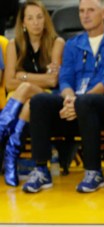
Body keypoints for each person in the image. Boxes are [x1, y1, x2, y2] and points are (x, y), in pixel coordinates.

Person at [22, 0, 104, 194]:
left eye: (91, 10)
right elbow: (65, 78)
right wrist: (69, 98)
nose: (85, 15)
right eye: (82, 11)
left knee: (86, 102)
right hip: (74, 100)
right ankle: (41, 169)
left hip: (102, 100)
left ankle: (94, 172)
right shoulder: (73, 43)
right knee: (39, 101)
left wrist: (78, 101)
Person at [0, 0, 64, 187]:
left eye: (39, 17)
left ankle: (3, 131)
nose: (36, 22)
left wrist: (24, 76)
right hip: (20, 99)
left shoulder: (57, 42)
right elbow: (10, 82)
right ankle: (11, 154)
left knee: (27, 90)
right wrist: (36, 78)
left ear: (45, 20)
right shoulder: (14, 44)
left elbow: (52, 81)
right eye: (30, 18)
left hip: (49, 97)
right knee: (28, 101)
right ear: (23, 23)